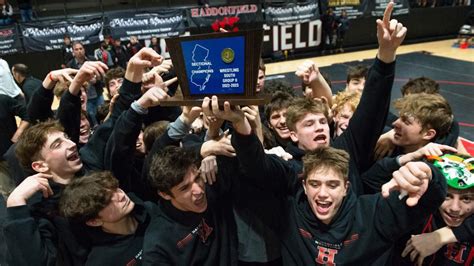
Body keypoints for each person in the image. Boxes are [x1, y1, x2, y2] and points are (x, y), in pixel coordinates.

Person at [59, 171, 157, 265]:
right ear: (94, 221)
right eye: (108, 200)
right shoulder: (102, 261)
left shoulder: (150, 211)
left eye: (116, 188)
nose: (121, 195)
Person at [397, 153, 474, 265]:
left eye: (466, 198)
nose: (455, 208)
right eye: (447, 196)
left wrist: (442, 236)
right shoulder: (417, 212)